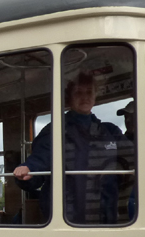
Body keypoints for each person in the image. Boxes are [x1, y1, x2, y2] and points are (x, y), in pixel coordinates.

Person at [13, 72, 133, 224]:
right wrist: (27, 169)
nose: (85, 97)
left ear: (95, 95)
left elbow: (136, 156)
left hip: (107, 219)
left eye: (89, 92)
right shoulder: (55, 131)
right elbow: (40, 159)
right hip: (66, 221)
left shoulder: (110, 131)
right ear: (69, 98)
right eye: (78, 92)